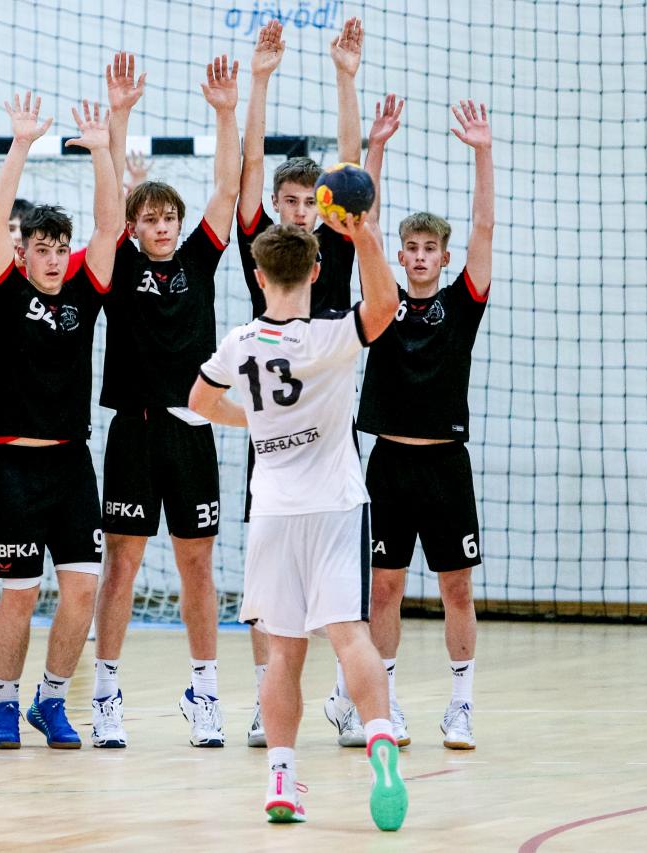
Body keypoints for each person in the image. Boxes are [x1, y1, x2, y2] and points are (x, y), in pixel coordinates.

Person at [188, 216, 407, 830]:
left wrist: (254, 422)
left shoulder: (239, 343)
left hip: (273, 513)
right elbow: (384, 306)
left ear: (259, 277)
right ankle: (380, 736)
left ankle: (281, 778)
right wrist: (364, 236)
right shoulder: (330, 335)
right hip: (335, 506)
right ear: (315, 272)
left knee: (283, 651)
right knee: (350, 636)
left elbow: (199, 401)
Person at [236, 17, 405, 748]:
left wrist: (344, 76)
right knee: (270, 598)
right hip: (277, 439)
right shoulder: (265, 250)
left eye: (313, 201)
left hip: (330, 432)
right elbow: (249, 164)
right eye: (293, 201)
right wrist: (260, 82)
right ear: (279, 209)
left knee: (340, 601)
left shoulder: (332, 250)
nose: (303, 210)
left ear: (323, 208)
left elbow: (350, 170)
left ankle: (350, 702)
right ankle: (267, 701)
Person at [90, 53, 241, 749]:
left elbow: (228, 186)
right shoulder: (119, 263)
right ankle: (105, 693)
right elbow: (108, 207)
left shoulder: (198, 262)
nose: (160, 225)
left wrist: (226, 112)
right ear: (135, 225)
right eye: (149, 217)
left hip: (191, 431)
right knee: (120, 564)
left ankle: (205, 692)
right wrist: (117, 117)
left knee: (197, 564)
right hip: (133, 431)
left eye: (167, 217)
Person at [0, 93, 122, 750]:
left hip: (70, 462)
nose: (56, 258)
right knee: (19, 594)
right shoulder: (3, 294)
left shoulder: (84, 298)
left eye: (62, 248)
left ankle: (52, 698)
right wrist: (20, 144)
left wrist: (101, 152)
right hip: (10, 461)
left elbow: (110, 226)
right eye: (44, 249)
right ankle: (4, 705)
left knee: (83, 589)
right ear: (25, 254)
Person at [353, 99, 494, 751]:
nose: (417, 256)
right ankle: (383, 707)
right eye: (410, 248)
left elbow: (484, 228)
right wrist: (376, 148)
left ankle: (461, 706)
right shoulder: (380, 302)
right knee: (383, 588)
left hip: (445, 465)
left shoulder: (462, 306)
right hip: (389, 464)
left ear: (442, 257)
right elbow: (365, 222)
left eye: (428, 249)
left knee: (456, 587)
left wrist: (482, 152)